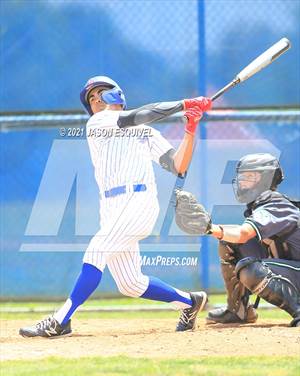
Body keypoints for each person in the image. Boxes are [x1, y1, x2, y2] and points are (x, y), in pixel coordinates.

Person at [19, 75, 212, 338]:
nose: (95, 98)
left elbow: (178, 165)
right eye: (91, 97)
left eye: (100, 92)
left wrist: (190, 129)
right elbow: (136, 117)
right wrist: (184, 104)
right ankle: (191, 302)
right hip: (111, 207)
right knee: (130, 283)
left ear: (116, 93)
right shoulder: (98, 123)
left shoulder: (147, 133)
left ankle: (61, 320)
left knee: (96, 250)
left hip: (140, 202)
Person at [175, 153, 300, 327]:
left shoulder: (276, 203)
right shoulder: (261, 205)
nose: (242, 181)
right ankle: (238, 310)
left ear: (266, 178)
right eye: (242, 176)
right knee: (230, 241)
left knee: (250, 269)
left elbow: (243, 233)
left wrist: (210, 228)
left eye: (250, 176)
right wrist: (213, 227)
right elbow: (237, 236)